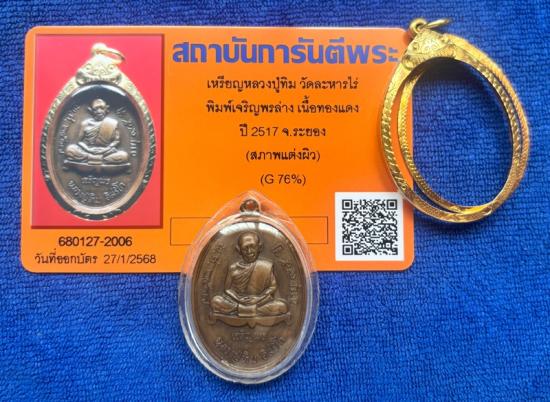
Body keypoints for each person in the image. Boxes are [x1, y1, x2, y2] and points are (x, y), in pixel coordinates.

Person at [211, 231, 288, 317]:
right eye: (245, 248)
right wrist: (239, 299)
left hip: (260, 302)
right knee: (216, 301)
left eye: (253, 247)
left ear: (259, 247)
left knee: (282, 306)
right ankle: (251, 310)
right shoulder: (233, 268)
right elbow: (227, 289)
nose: (249, 252)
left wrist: (258, 298)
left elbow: (272, 287)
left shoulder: (266, 266)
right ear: (239, 250)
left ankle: (242, 310)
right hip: (238, 302)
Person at [65, 98, 128, 165]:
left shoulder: (112, 123)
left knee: (124, 156)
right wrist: (88, 149)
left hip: (106, 152)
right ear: (90, 110)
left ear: (106, 109)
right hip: (88, 151)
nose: (99, 111)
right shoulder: (85, 123)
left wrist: (106, 149)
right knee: (70, 149)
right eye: (96, 109)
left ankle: (91, 159)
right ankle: (101, 160)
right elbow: (79, 141)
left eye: (102, 108)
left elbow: (116, 141)